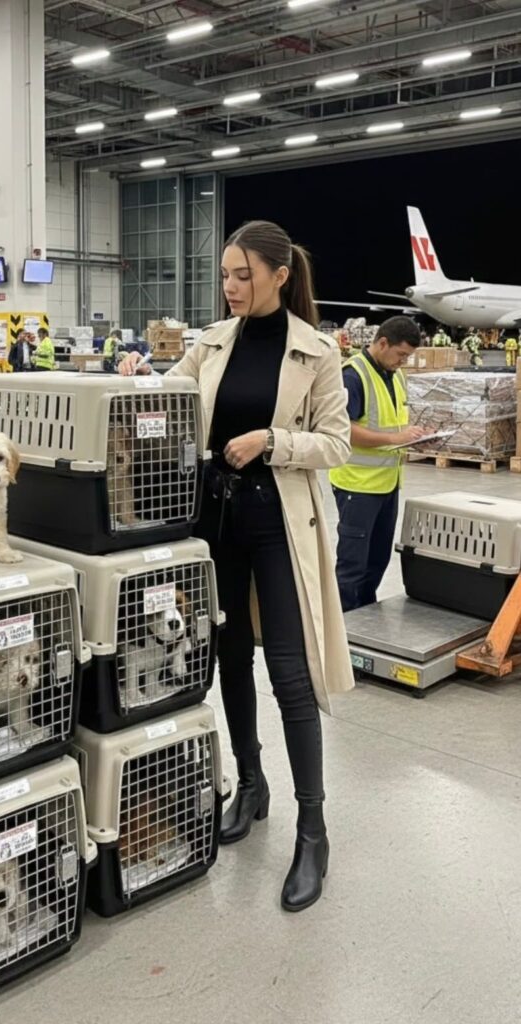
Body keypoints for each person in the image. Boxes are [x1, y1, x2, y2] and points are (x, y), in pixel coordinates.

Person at [119, 220, 354, 912]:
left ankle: (312, 831)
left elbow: (335, 444)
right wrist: (131, 382)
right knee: (227, 657)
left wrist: (270, 440)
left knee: (288, 672)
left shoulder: (316, 352)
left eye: (242, 275)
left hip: (276, 524)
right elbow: (163, 402)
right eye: (224, 275)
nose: (229, 288)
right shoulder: (209, 343)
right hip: (213, 524)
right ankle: (251, 786)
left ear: (280, 275)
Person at [329, 317, 428, 613]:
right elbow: (343, 429)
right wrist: (396, 436)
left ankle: (365, 615)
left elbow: (392, 423)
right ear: (382, 343)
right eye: (401, 355)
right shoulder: (353, 376)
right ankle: (345, 625)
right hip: (357, 486)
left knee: (377, 560)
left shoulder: (396, 376)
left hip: (387, 483)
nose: (403, 362)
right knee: (352, 565)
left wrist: (414, 438)